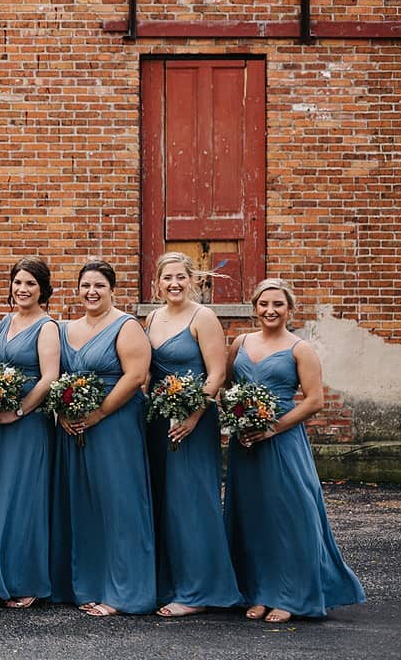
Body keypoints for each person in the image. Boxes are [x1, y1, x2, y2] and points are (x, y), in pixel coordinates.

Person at [224, 279, 365, 623]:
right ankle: (258, 592)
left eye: (278, 305)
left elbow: (314, 400)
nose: (270, 311)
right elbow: (228, 386)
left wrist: (271, 427)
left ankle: (290, 595)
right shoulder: (240, 343)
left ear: (290, 309)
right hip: (245, 446)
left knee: (291, 517)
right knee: (252, 518)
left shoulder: (300, 349)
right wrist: (240, 419)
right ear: (254, 307)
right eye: (264, 304)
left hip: (283, 443)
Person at [54, 260, 155, 616]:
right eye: (85, 286)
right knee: (83, 505)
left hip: (115, 425)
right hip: (75, 427)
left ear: (112, 289)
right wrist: (63, 411)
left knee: (120, 505)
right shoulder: (66, 328)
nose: (92, 292)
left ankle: (124, 592)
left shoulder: (126, 326)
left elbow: (135, 376)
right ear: (78, 289)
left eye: (99, 285)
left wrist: (98, 413)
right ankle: (89, 585)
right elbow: (57, 378)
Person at [144, 253, 242, 617]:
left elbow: (215, 375)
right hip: (158, 422)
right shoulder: (152, 318)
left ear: (193, 281)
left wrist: (192, 416)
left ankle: (199, 591)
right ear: (156, 283)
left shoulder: (204, 318)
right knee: (164, 501)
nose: (174, 284)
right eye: (167, 278)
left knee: (191, 502)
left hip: (193, 424)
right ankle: (169, 584)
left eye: (181, 277)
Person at [0, 257, 60, 608]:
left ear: (42, 289)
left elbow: (49, 377)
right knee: (2, 498)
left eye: (30, 283)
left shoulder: (46, 327)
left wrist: (18, 410)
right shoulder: (3, 323)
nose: (22, 289)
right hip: (0, 420)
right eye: (17, 283)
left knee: (26, 497)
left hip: (28, 423)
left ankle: (26, 579)